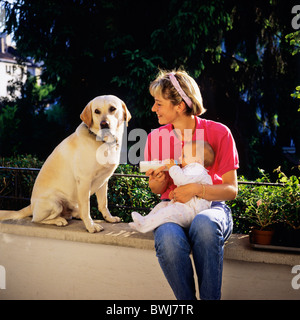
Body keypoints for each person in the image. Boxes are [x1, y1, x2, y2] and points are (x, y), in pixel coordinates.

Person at [144, 69, 239, 300]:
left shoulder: (219, 132)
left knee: (204, 224)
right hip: (173, 209)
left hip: (211, 208)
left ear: (179, 106)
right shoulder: (155, 138)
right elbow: (156, 190)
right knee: (166, 237)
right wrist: (158, 181)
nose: (153, 108)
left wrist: (196, 189)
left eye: (158, 103)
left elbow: (231, 190)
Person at [129, 140, 215, 233]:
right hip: (185, 208)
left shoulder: (197, 169)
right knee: (161, 206)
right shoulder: (191, 171)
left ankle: (145, 226)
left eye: (184, 155)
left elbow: (181, 179)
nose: (179, 158)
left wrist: (173, 167)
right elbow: (184, 186)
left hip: (192, 212)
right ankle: (145, 220)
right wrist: (174, 195)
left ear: (198, 161)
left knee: (167, 212)